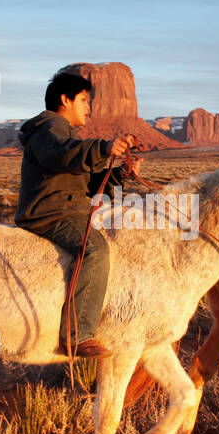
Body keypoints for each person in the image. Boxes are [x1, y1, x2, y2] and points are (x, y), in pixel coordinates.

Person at [14, 70, 138, 359]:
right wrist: (104, 148)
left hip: (66, 210)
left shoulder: (64, 133)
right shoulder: (49, 128)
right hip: (49, 214)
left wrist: (120, 173)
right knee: (95, 249)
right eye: (83, 100)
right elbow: (61, 154)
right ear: (65, 99)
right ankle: (77, 335)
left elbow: (86, 182)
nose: (89, 108)